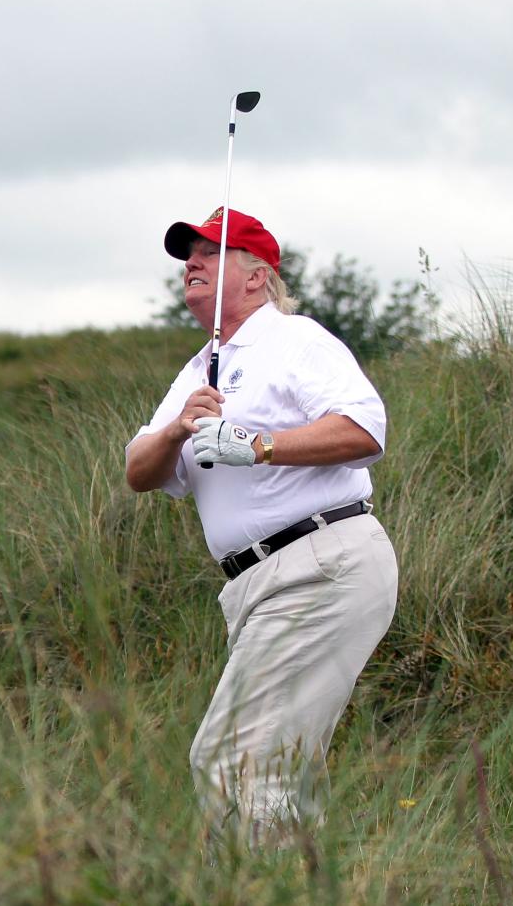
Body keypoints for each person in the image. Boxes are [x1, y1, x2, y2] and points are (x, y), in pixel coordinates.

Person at [124, 207, 399, 848]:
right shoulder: (199, 370)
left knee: (233, 762)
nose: (191, 263)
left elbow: (364, 431)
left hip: (319, 562)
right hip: (259, 585)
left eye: (210, 253)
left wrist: (259, 444)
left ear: (256, 276)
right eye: (188, 255)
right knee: (276, 771)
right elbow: (139, 470)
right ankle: (313, 885)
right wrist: (174, 430)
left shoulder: (294, 340)